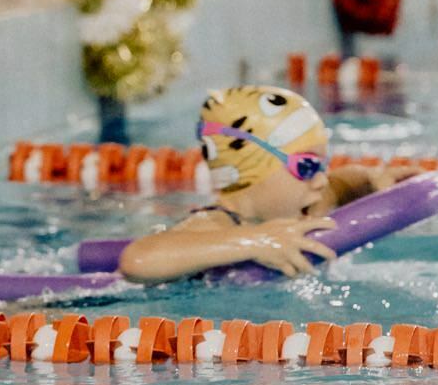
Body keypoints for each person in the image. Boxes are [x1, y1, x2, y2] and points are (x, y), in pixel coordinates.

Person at [119, 86, 409, 283]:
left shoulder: (308, 205)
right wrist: (256, 241)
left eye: (323, 164)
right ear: (250, 172)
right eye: (306, 166)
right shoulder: (217, 226)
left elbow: (344, 183)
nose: (320, 179)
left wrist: (374, 179)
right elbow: (138, 260)